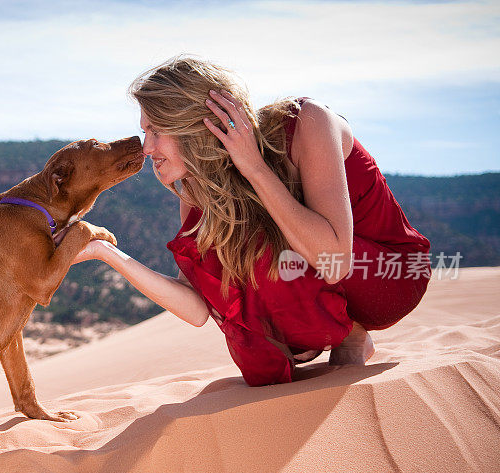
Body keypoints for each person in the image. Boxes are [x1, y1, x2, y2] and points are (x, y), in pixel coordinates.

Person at [72, 56, 431, 386]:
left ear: (198, 127)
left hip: (391, 277)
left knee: (253, 239)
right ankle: (321, 333)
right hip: (329, 277)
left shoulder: (307, 122)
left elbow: (333, 261)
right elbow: (198, 309)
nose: (147, 148)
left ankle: (349, 336)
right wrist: (107, 253)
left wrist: (254, 167)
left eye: (156, 131)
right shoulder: (199, 190)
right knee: (226, 250)